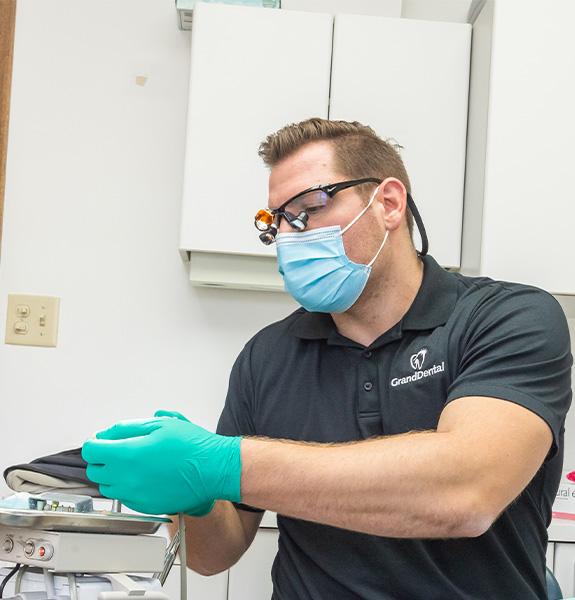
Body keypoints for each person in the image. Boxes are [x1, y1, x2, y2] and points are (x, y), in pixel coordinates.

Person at [82, 118, 573, 599]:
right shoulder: (267, 356)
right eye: (276, 221)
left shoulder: (508, 317)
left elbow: (466, 493)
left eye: (309, 208)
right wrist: (188, 498)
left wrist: (222, 463)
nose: (290, 237)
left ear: (388, 203)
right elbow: (215, 555)